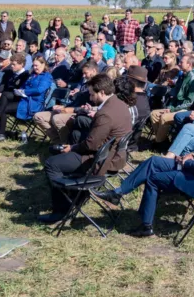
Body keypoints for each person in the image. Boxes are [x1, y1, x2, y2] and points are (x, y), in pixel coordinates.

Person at [94, 104, 194, 237]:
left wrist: (187, 162)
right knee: (153, 161)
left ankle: (146, 226)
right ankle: (118, 193)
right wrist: (193, 154)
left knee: (154, 179)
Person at [40, 74, 133, 225]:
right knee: (73, 138)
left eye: (92, 94)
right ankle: (76, 195)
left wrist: (71, 148)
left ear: (102, 92)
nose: (90, 98)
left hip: (101, 160)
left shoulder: (105, 114)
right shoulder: (119, 104)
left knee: (52, 163)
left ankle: (62, 210)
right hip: (115, 155)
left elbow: (91, 145)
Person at [148, 54, 194, 143]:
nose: (179, 63)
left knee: (164, 117)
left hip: (185, 109)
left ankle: (158, 143)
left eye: (182, 62)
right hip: (175, 107)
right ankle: (163, 140)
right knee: (154, 114)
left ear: (189, 64)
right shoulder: (182, 77)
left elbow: (189, 102)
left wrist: (173, 109)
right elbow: (174, 94)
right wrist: (170, 107)